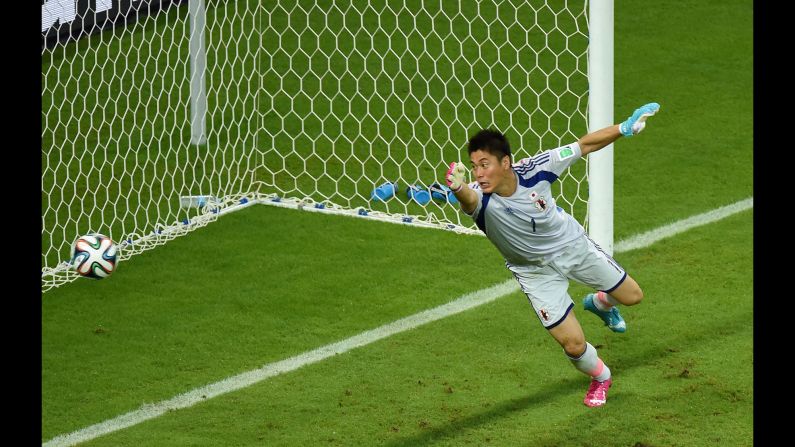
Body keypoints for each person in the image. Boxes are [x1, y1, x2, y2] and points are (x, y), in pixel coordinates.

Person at [444, 103, 660, 407]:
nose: (479, 174)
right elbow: (468, 201)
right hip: (534, 272)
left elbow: (585, 145)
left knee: (633, 295)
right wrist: (457, 187)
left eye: (484, 164)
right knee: (573, 344)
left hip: (572, 247)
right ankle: (601, 378)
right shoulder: (480, 198)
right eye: (474, 166)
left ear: (505, 162)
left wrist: (623, 129)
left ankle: (600, 303)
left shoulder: (538, 168)